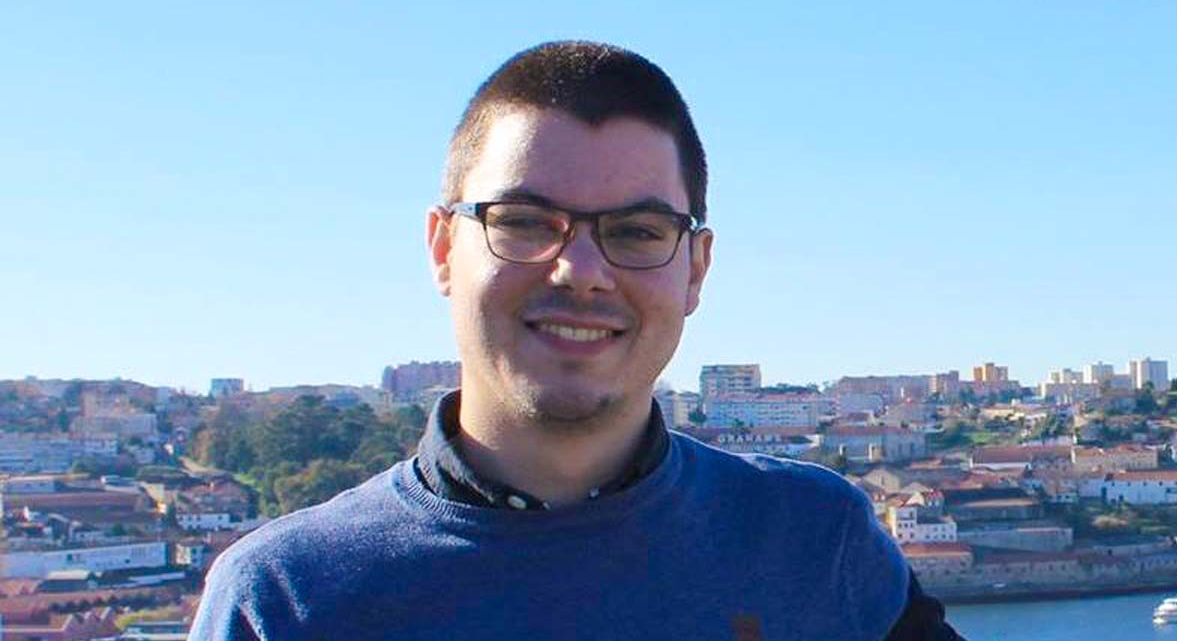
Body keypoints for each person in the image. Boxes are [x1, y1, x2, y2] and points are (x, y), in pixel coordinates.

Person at [188, 41, 962, 640]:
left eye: (637, 231)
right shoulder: (286, 602)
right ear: (443, 249)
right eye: (525, 222)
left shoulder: (815, 541)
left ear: (695, 269)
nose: (582, 272)